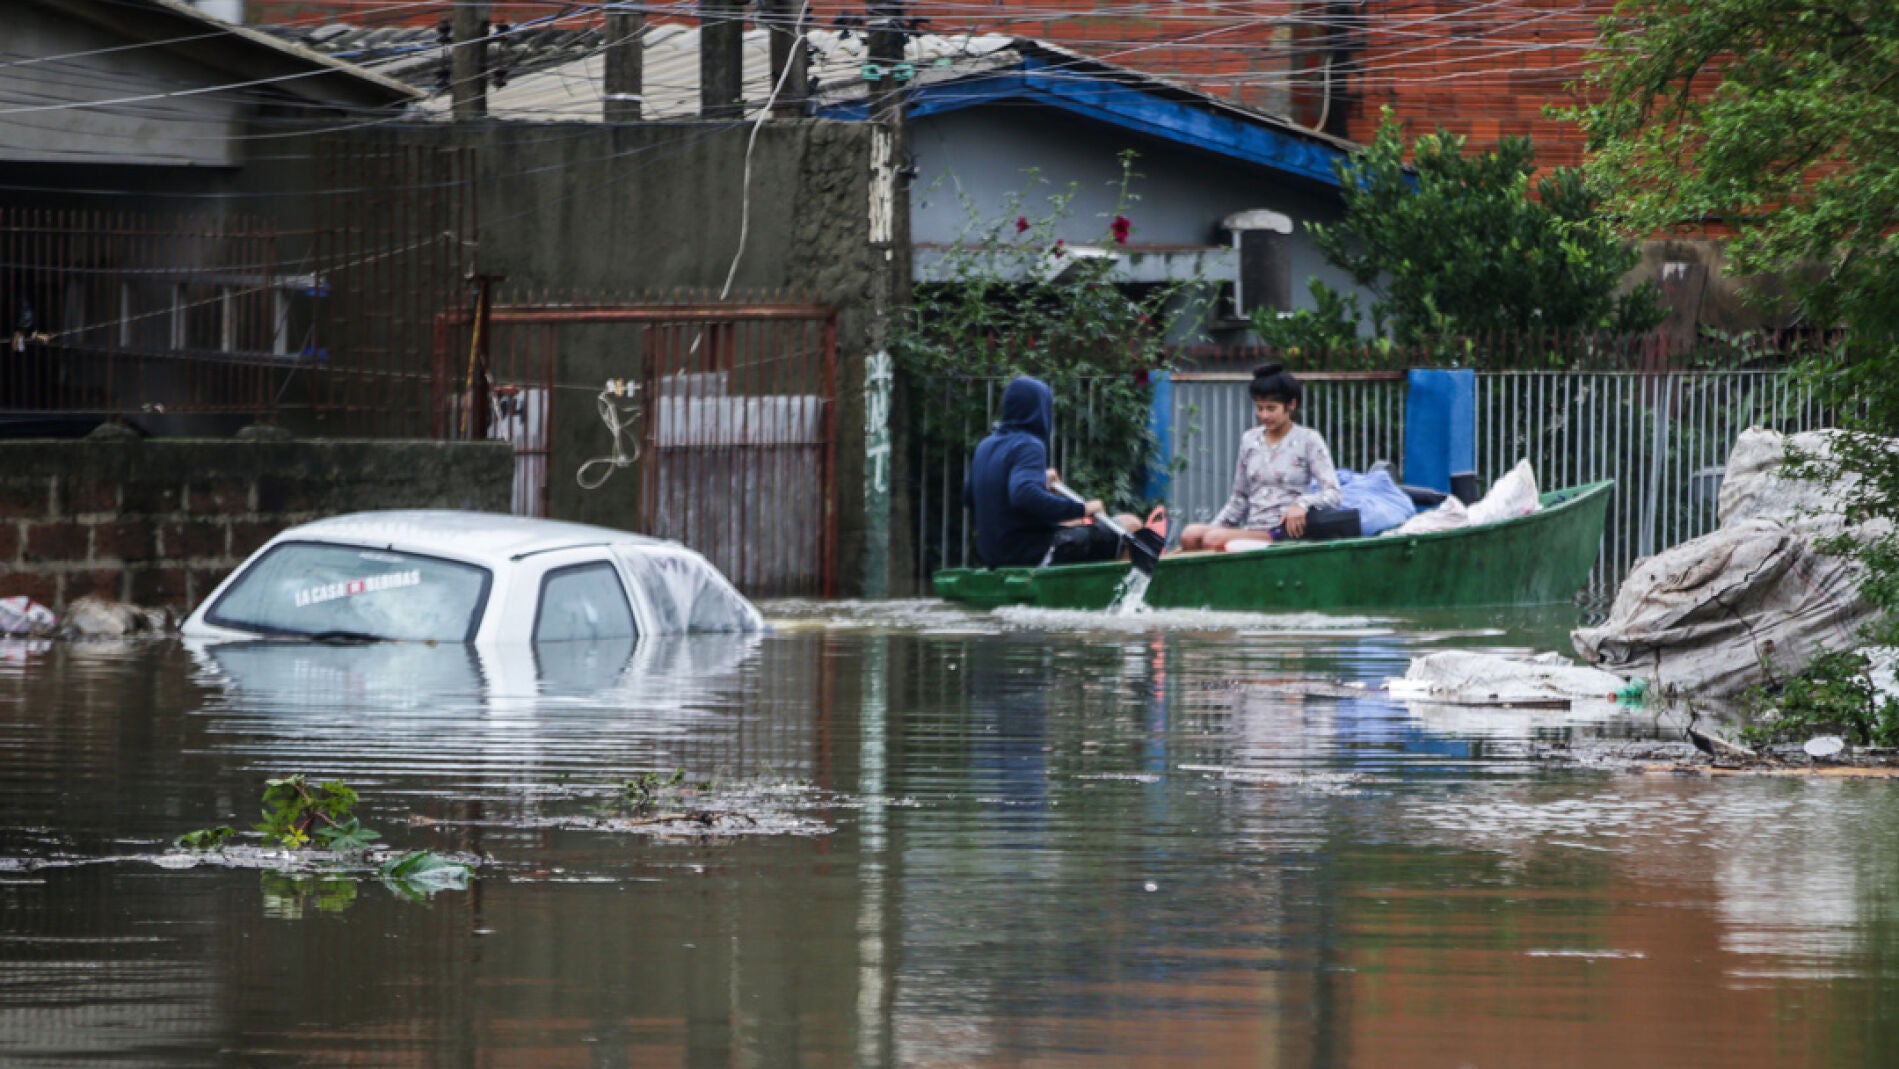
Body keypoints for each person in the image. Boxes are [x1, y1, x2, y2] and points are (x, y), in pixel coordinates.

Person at [964, 376, 1144, 567]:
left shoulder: (985, 446)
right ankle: (1118, 597)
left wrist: (1039, 480)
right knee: (1130, 525)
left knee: (1074, 525)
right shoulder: (1029, 444)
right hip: (1032, 554)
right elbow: (1024, 494)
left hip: (994, 556)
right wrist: (1083, 508)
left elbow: (970, 495)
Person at [1178, 363, 1342, 551]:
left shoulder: (1308, 439)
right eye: (1260, 408)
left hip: (1281, 532)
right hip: (1253, 528)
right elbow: (1239, 499)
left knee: (1213, 539)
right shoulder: (1249, 439)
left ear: (1291, 405)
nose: (1264, 415)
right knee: (1190, 534)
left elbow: (1333, 494)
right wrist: (1210, 530)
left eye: (1271, 408)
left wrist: (1302, 504)